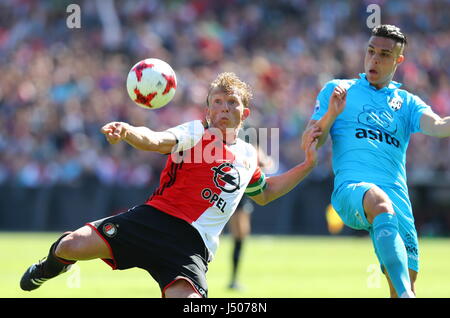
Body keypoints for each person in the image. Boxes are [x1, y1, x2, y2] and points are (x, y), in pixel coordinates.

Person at [21, 72, 321, 298]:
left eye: (232, 103)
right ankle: (50, 267)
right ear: (208, 111)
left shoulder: (247, 155)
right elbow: (156, 140)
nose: (224, 108)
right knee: (70, 246)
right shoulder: (194, 132)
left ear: (244, 114)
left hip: (191, 247)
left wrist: (306, 165)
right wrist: (128, 132)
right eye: (217, 102)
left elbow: (265, 193)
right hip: (152, 220)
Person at [302, 24, 450, 298]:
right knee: (377, 200)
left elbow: (440, 125)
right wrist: (331, 115)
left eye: (384, 54)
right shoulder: (338, 90)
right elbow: (311, 141)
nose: (374, 59)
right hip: (352, 189)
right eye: (371, 52)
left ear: (398, 60)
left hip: (398, 198)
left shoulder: (407, 103)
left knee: (403, 283)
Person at [227, 146, 274, 290]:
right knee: (240, 236)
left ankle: (234, 279)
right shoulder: (247, 147)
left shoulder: (248, 147)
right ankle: (233, 280)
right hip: (236, 193)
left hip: (240, 192)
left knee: (240, 237)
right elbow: (268, 164)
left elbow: (268, 165)